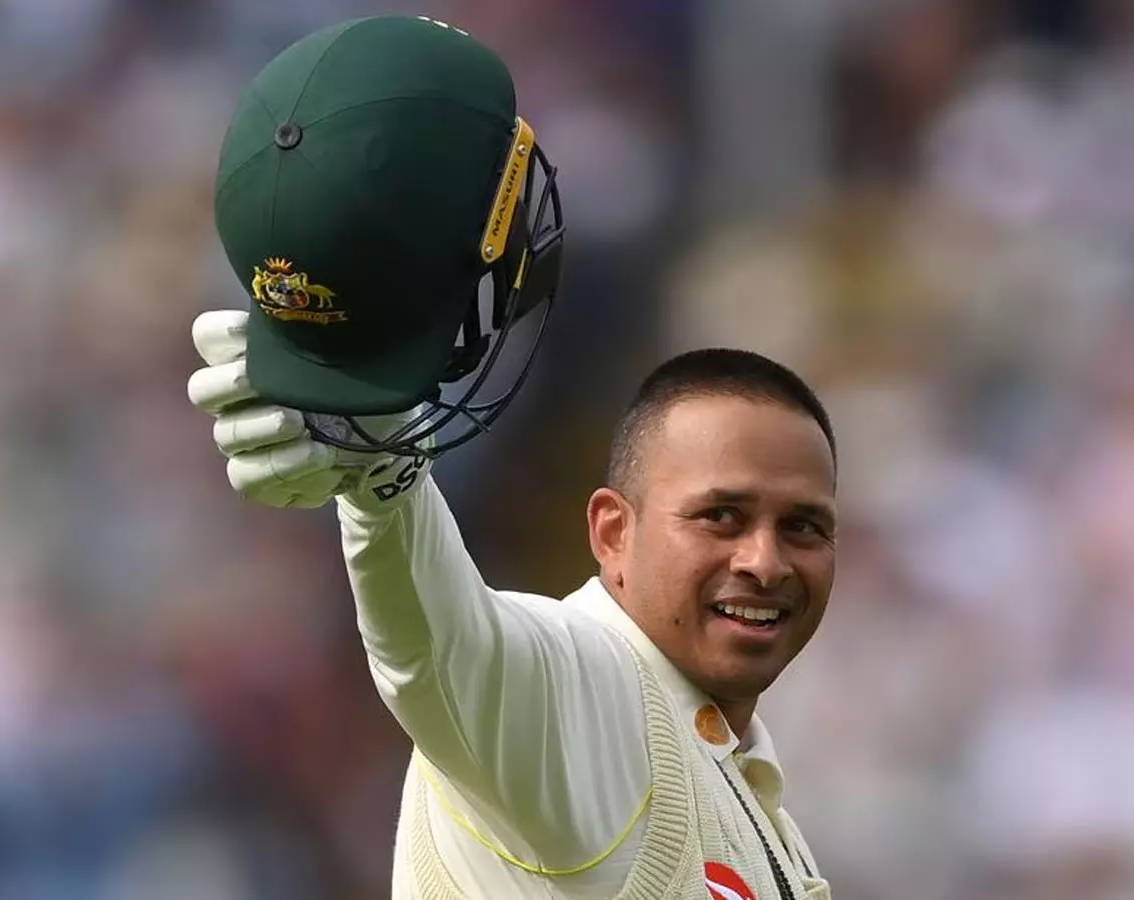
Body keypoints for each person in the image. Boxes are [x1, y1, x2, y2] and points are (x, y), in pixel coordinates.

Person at [190, 15, 836, 899]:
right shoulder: (581, 702)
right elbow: (437, 657)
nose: (764, 561)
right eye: (719, 517)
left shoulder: (739, 775)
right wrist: (382, 487)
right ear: (611, 533)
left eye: (804, 527)